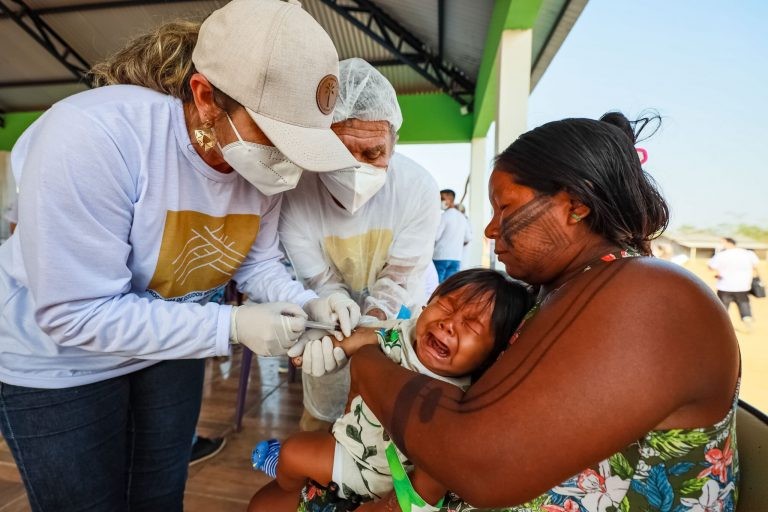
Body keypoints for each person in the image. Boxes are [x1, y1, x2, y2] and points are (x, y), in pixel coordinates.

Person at [0, 1, 362, 510]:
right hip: (62, 363)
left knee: (161, 495)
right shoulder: (97, 137)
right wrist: (231, 326)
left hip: (170, 348)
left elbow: (255, 262)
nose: (288, 160)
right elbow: (75, 312)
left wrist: (308, 302)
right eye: (276, 137)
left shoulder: (260, 167)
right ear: (206, 97)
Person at [295, 112, 741, 511]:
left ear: (576, 205)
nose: (490, 228)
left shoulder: (651, 295)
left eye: (505, 207)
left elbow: (479, 466)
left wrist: (368, 356)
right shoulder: (558, 293)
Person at [248, 269, 533, 511]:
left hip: (381, 477)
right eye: (446, 306)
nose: (449, 324)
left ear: (491, 354)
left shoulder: (467, 394)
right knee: (294, 451)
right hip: (349, 448)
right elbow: (361, 338)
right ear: (426, 305)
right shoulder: (401, 333)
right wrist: (317, 350)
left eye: (471, 325)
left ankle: (287, 477)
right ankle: (289, 481)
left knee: (292, 454)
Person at [278, 58, 441, 431]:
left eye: (373, 154)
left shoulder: (417, 188)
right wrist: (338, 323)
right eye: (341, 151)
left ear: (392, 145)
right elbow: (323, 283)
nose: (357, 168)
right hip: (329, 316)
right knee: (321, 415)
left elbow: (397, 282)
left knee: (392, 422)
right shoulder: (296, 196)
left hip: (403, 309)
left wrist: (363, 333)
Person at [709, 237, 759, 332]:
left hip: (725, 286)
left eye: (722, 242)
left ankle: (722, 328)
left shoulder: (721, 255)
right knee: (744, 304)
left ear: (728, 243)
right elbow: (755, 265)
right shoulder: (748, 253)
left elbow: (711, 267)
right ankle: (747, 320)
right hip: (743, 286)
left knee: (723, 308)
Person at [433, 189, 472, 282]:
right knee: (449, 287)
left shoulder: (444, 216)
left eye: (442, 198)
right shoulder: (462, 217)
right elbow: (468, 237)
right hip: (456, 258)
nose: (440, 201)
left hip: (440, 257)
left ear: (450, 199)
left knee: (436, 287)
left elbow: (436, 236)